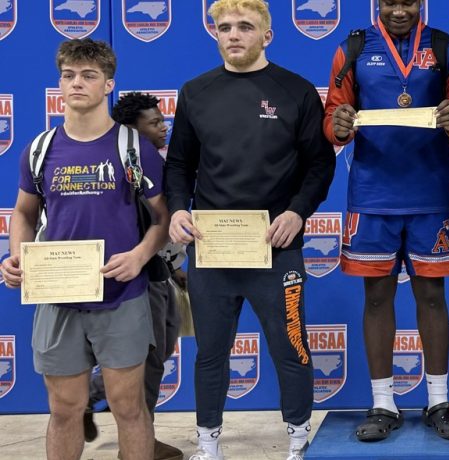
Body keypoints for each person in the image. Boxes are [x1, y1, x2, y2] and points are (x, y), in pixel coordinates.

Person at [163, 1, 336, 459]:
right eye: (224, 27)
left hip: (275, 247)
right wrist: (178, 209)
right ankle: (208, 444)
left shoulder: (296, 91)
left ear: (267, 35)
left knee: (290, 348)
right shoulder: (195, 92)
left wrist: (297, 212)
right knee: (210, 353)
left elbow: (320, 164)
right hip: (212, 249)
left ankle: (298, 440)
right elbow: (178, 164)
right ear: (215, 34)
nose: (234, 35)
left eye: (245, 26)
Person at [1, 38, 167, 460]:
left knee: (129, 408)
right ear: (59, 83)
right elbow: (23, 213)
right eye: (69, 75)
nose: (77, 83)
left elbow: (164, 220)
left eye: (89, 75)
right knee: (64, 409)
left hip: (122, 296)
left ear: (108, 84)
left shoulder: (134, 148)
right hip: (58, 297)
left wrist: (139, 256)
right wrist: (18, 254)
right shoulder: (40, 149)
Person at [323, 0, 449, 443]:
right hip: (372, 198)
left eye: (407, 1)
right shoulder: (352, 48)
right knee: (376, 299)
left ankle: (439, 401)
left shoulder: (444, 47)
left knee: (432, 296)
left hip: (429, 196)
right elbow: (331, 120)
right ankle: (383, 403)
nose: (399, 11)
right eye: (390, 2)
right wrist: (340, 125)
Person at [81, 92, 184, 460]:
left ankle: (90, 395)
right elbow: (145, 226)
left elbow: (165, 227)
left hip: (162, 272)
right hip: (140, 278)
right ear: (132, 131)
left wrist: (175, 267)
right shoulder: (125, 168)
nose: (163, 127)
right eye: (154, 122)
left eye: (162, 119)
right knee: (149, 359)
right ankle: (140, 442)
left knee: (163, 348)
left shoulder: (159, 163)